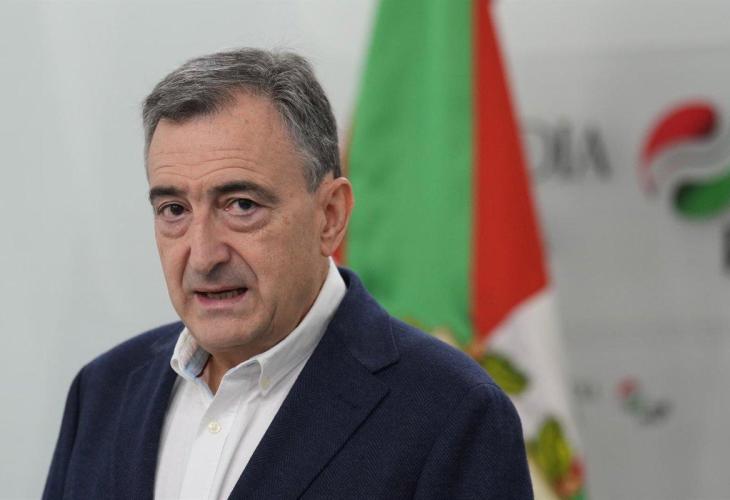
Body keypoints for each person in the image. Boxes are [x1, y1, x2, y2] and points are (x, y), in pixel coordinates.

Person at [43, 48, 533, 499]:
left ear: (330, 216)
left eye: (241, 205)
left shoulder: (452, 412)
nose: (203, 255)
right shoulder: (102, 391)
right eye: (174, 209)